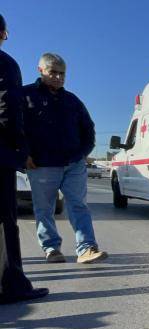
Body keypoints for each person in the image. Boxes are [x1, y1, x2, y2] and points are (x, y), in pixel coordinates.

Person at [22, 53, 106, 264]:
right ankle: (51, 249)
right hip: (41, 165)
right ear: (41, 70)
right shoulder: (25, 96)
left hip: (73, 164)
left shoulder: (72, 100)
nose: (59, 78)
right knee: (44, 209)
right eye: (54, 73)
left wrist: (82, 154)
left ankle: (86, 248)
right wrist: (23, 154)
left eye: (62, 74)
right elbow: (13, 127)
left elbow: (88, 129)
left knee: (78, 205)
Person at [0, 13, 49, 304]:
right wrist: (20, 149)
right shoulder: (5, 63)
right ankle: (12, 285)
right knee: (5, 219)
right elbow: (7, 109)